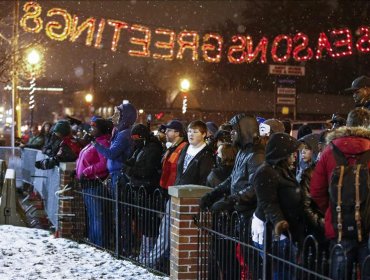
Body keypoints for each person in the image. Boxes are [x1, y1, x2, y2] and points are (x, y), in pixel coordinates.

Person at [253, 133, 323, 280]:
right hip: (274, 233)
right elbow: (268, 202)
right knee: (282, 272)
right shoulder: (266, 172)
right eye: (291, 154)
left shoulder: (281, 170)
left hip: (284, 232)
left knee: (287, 271)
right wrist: (279, 221)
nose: (294, 157)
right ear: (281, 155)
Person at [310, 107, 370, 280]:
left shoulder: (330, 150)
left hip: (339, 227)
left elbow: (316, 190)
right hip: (367, 227)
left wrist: (333, 208)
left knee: (340, 274)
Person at [145, 119, 187, 270]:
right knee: (166, 229)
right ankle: (162, 260)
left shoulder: (183, 148)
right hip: (166, 191)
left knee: (166, 230)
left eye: (169, 130)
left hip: (173, 192)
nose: (166, 133)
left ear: (177, 133)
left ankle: (153, 260)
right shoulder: (173, 147)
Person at [125, 123, 164, 262]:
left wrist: (130, 170)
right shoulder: (141, 148)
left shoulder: (153, 148)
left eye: (136, 137)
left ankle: (148, 256)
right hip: (139, 190)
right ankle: (144, 254)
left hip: (148, 191)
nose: (134, 140)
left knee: (149, 225)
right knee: (143, 224)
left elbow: (146, 170)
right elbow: (134, 163)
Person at [75, 118, 111, 247]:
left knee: (97, 217)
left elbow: (104, 164)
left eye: (93, 127)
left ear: (100, 129)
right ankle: (93, 242)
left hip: (94, 184)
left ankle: (99, 245)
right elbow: (83, 159)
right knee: (92, 215)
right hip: (87, 184)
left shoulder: (103, 143)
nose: (91, 130)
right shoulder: (94, 142)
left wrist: (86, 172)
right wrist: (77, 171)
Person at [93, 101, 137, 193]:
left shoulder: (124, 134)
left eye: (116, 114)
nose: (113, 116)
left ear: (124, 117)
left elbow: (111, 154)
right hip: (116, 175)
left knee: (118, 204)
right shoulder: (120, 132)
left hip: (120, 177)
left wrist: (95, 144)